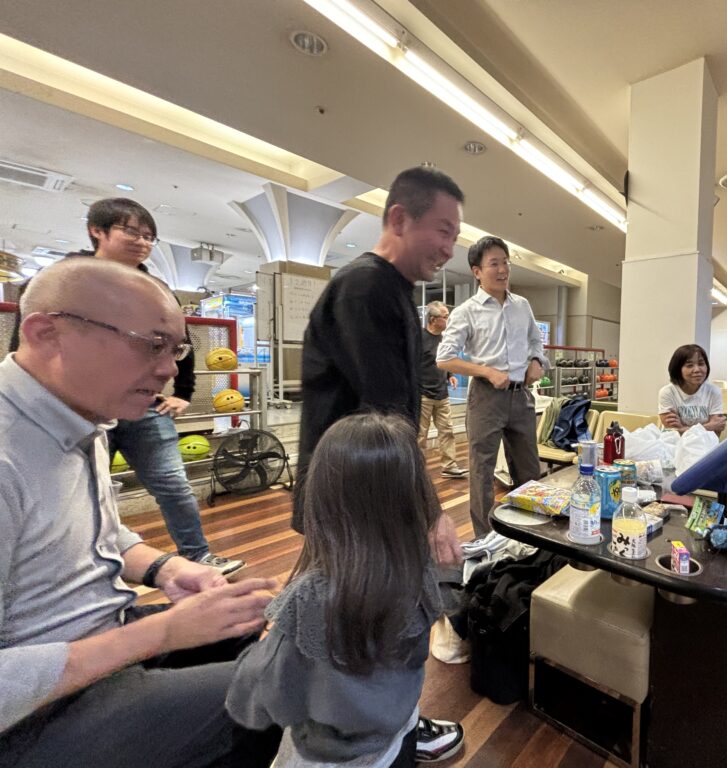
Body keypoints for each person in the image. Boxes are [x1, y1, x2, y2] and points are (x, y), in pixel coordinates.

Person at [0, 258, 279, 766]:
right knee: (287, 687)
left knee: (241, 624)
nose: (170, 369)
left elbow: (98, 534)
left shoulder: (80, 415)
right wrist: (161, 633)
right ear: (47, 334)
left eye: (176, 350)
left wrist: (167, 568)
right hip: (31, 716)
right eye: (151, 344)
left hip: (102, 635)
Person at [295, 166, 465, 761]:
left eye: (455, 236)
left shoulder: (390, 291)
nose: (449, 248)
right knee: (345, 616)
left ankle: (383, 726)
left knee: (360, 613)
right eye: (442, 230)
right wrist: (431, 512)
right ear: (398, 218)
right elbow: (387, 413)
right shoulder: (366, 288)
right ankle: (351, 736)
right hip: (349, 491)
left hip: (362, 486)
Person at [9, 197, 243, 575]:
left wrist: (183, 394)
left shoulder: (156, 287)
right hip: (73, 411)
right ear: (97, 231)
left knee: (164, 485)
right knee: (75, 491)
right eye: (132, 232)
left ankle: (196, 555)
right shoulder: (65, 280)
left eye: (149, 236)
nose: (142, 242)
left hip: (143, 406)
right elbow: (25, 345)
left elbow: (184, 347)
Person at [228, 412, 454, 767]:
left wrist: (260, 644)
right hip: (396, 731)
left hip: (326, 756)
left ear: (320, 495)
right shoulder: (422, 569)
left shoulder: (308, 599)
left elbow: (258, 697)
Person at [436, 235, 548, 537]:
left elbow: (536, 342)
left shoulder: (522, 305)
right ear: (477, 271)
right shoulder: (466, 311)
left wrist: (537, 361)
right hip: (486, 398)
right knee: (482, 472)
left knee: (529, 469)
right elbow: (444, 358)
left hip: (521, 396)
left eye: (506, 263)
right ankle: (485, 540)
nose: (503, 270)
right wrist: (484, 371)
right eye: (494, 264)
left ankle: (530, 536)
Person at [418, 301, 468, 479]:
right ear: (433, 319)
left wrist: (450, 375)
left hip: (442, 394)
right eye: (445, 316)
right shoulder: (418, 339)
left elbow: (445, 360)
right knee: (420, 435)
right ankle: (417, 470)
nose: (449, 319)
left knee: (447, 431)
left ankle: (449, 466)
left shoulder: (445, 339)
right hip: (423, 395)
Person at [657, 343, 726, 434]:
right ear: (678, 369)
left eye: (701, 364)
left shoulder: (714, 391)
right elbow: (672, 432)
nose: (697, 370)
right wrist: (709, 426)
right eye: (689, 365)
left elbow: (716, 431)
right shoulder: (667, 392)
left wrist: (682, 428)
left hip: (705, 443)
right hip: (674, 442)